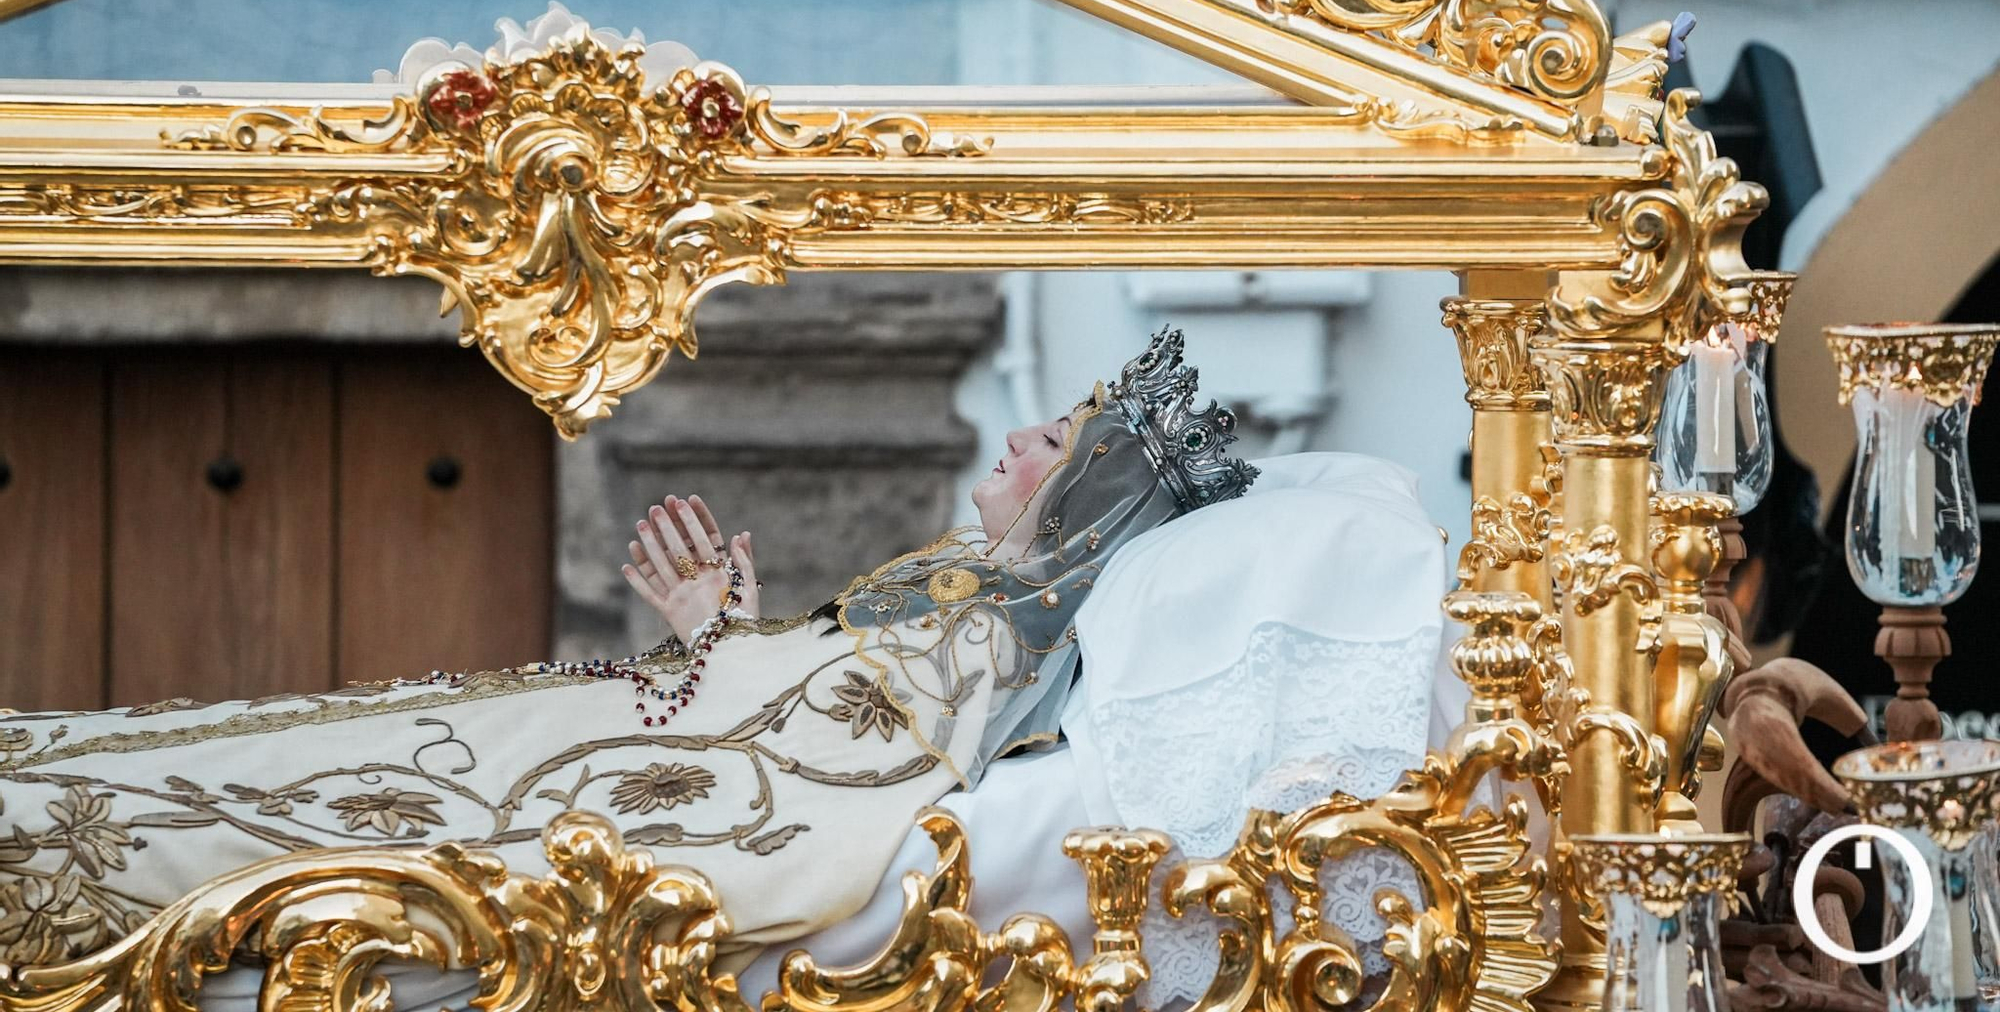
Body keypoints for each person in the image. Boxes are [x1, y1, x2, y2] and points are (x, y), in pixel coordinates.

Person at [0, 328, 1258, 973]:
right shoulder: (975, 591)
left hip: (607, 771)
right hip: (612, 730)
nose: (1015, 446)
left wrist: (723, 643)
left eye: (1047, 444)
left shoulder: (997, 625)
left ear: (1084, 499)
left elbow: (826, 769)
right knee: (311, 750)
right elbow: (813, 711)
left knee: (298, 796)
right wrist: (725, 637)